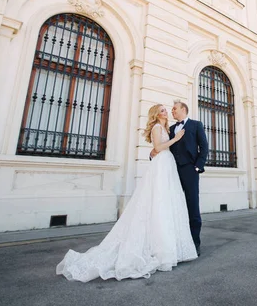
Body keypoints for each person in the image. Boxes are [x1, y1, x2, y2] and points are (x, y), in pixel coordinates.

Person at [56, 104, 198, 282]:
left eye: (166, 109)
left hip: (168, 165)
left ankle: (172, 247)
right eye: (162, 110)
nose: (166, 111)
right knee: (158, 200)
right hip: (161, 164)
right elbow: (158, 147)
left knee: (169, 202)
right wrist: (175, 139)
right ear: (155, 114)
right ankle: (160, 250)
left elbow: (161, 148)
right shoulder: (156, 127)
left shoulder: (166, 128)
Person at [150, 100, 208, 256]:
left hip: (190, 170)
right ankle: (176, 241)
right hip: (172, 171)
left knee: (192, 205)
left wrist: (198, 166)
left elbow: (204, 147)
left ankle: (195, 243)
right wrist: (153, 154)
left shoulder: (196, 125)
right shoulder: (171, 129)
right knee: (173, 205)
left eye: (174, 109)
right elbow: (163, 145)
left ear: (183, 109)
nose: (172, 111)